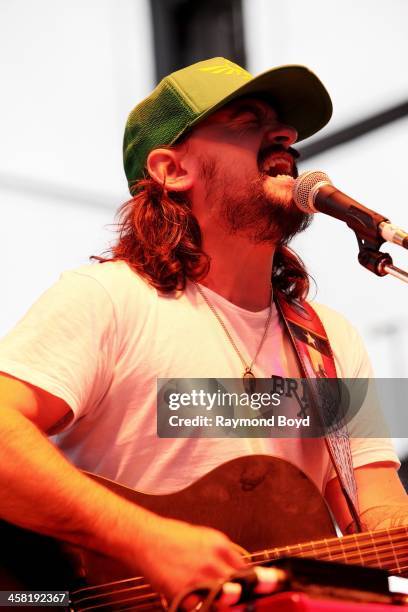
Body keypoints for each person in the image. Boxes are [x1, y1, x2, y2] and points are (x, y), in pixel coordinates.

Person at [0, 57, 406, 605]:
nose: (285, 135)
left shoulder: (329, 340)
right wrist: (147, 540)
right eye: (247, 120)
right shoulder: (108, 300)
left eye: (285, 127)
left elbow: (373, 498)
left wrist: (394, 539)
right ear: (172, 170)